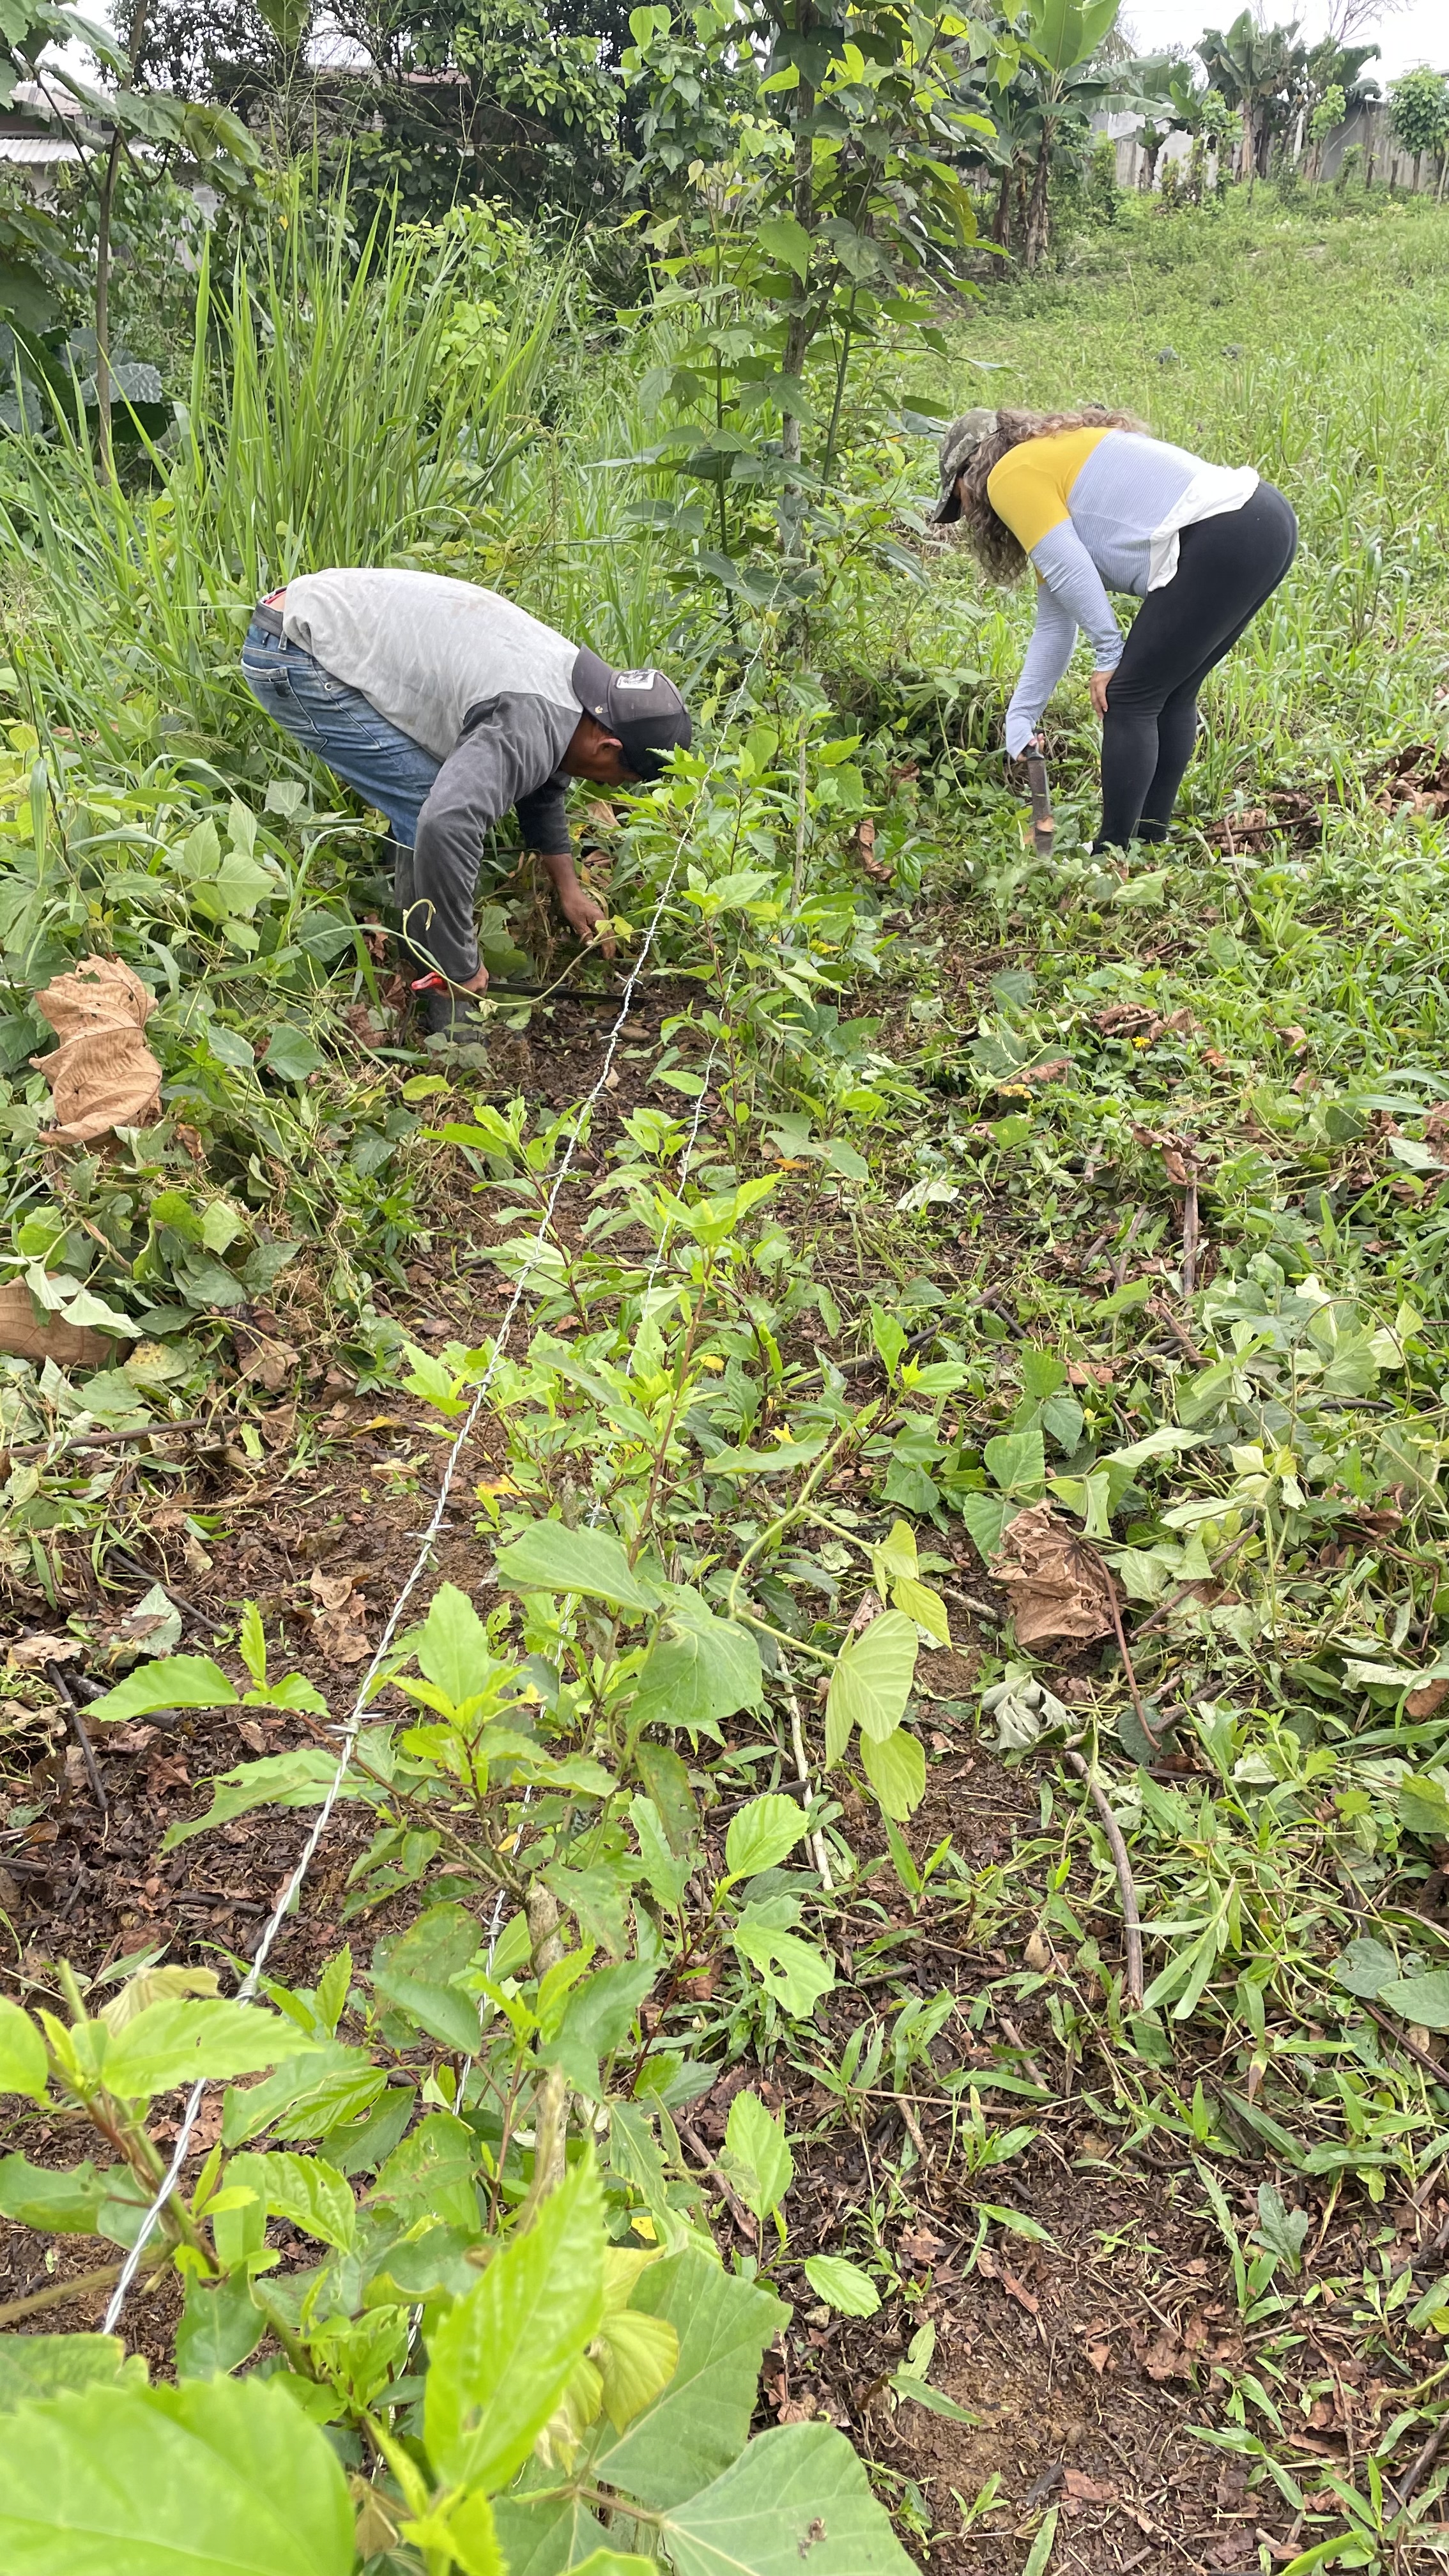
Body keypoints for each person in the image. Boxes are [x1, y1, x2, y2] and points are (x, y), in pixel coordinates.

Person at [241, 569, 692, 1032]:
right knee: (428, 803)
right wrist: (460, 964)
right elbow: (446, 823)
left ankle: (412, 945)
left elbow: (543, 782)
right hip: (296, 651)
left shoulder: (576, 693)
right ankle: (444, 1003)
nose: (611, 789)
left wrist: (568, 889)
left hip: (318, 617)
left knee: (441, 792)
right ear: (608, 747)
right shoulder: (530, 716)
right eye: (620, 780)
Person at [931, 406, 1297, 852]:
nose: (967, 513)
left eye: (959, 499)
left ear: (972, 471)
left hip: (1225, 530)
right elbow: (1056, 619)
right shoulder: (1047, 464)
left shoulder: (1009, 475)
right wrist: (1021, 716)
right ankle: (1148, 841)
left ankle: (1112, 852)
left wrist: (1109, 654)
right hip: (1264, 519)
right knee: (1168, 693)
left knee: (1127, 696)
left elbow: (1071, 572)